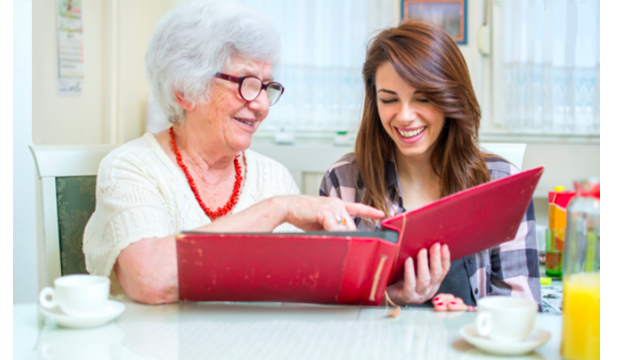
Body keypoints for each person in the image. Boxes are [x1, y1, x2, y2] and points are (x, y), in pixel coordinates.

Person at [83, 0, 384, 305]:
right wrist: (275, 209)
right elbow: (150, 279)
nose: (263, 105)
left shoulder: (272, 177)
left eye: (267, 87)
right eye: (247, 83)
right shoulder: (132, 167)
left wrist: (383, 290)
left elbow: (300, 294)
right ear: (185, 90)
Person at [320, 21, 541, 309]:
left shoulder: (503, 183)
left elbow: (524, 308)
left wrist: (471, 319)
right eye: (389, 99)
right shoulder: (343, 181)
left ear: (451, 98)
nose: (405, 116)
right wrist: (389, 298)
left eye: (423, 98)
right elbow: (326, 306)